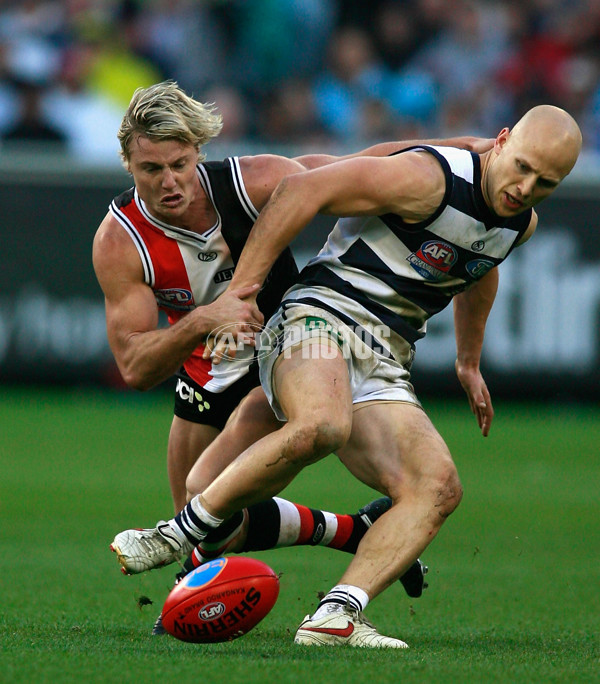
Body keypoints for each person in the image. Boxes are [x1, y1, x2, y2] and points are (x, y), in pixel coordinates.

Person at [98, 81, 490, 629]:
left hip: (293, 349)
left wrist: (470, 151)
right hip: (205, 371)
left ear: (199, 152)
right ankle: (353, 530)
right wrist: (210, 318)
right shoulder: (121, 241)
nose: (169, 182)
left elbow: (367, 163)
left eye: (179, 164)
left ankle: (324, 575)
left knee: (203, 513)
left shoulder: (252, 181)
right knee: (209, 524)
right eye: (150, 169)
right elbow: (135, 367)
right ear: (127, 165)